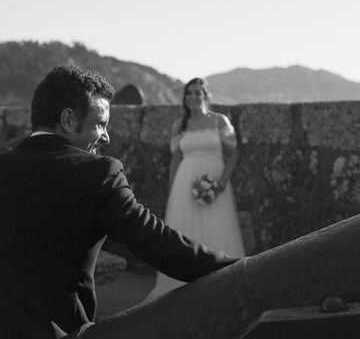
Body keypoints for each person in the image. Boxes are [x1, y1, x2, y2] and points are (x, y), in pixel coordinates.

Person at [0, 65, 239, 338]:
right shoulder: (99, 173)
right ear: (68, 120)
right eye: (100, 123)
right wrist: (234, 268)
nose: (106, 136)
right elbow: (153, 239)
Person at [144, 77, 245, 300]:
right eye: (189, 93)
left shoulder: (220, 121)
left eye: (198, 92)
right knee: (185, 231)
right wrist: (173, 191)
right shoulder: (179, 126)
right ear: (185, 98)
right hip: (185, 182)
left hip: (216, 182)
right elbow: (175, 159)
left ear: (206, 96)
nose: (193, 97)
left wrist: (221, 182)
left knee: (217, 227)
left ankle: (223, 283)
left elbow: (233, 154)